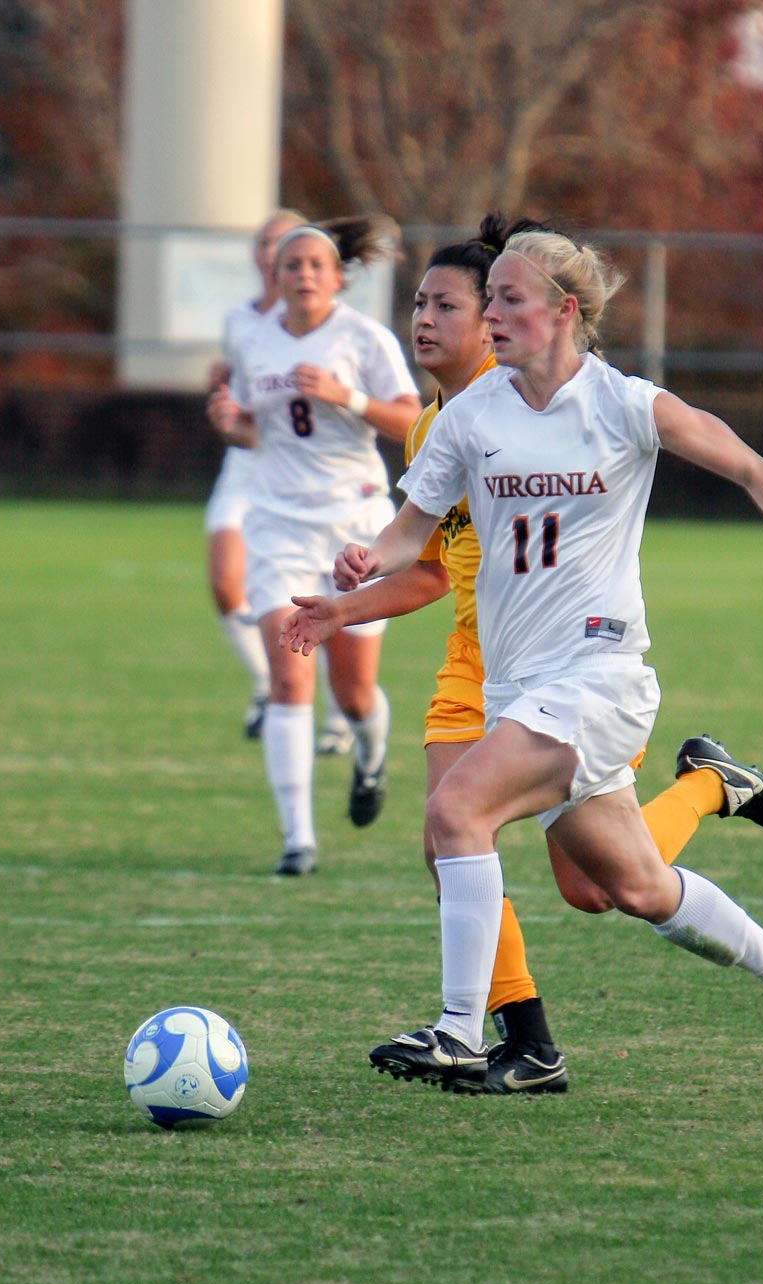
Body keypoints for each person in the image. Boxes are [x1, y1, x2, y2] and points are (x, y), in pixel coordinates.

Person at [329, 218, 763, 1085]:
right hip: (521, 689)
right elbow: (408, 537)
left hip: (599, 676)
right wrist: (357, 574)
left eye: (507, 300)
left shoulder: (625, 403)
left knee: (455, 813)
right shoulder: (469, 417)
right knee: (636, 890)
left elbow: (750, 467)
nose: (493, 316)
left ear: (562, 310)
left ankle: (459, 1030)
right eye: (492, 301)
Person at [208, 216, 421, 875]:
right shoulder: (254, 340)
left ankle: (369, 753)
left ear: (337, 278)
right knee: (287, 674)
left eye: (313, 265)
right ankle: (297, 838)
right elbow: (261, 433)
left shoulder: (364, 338)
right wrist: (232, 425)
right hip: (278, 526)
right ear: (274, 277)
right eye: (290, 264)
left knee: (353, 693)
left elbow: (412, 420)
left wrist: (346, 395)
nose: (301, 274)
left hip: (354, 526)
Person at [204, 208, 353, 754]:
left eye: (284, 246)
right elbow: (242, 398)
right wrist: (225, 404)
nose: (273, 255)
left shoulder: (338, 328)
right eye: (266, 244)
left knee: (324, 599)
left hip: (318, 482)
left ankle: (341, 716)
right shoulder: (242, 322)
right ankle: (269, 683)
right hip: (251, 466)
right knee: (226, 583)